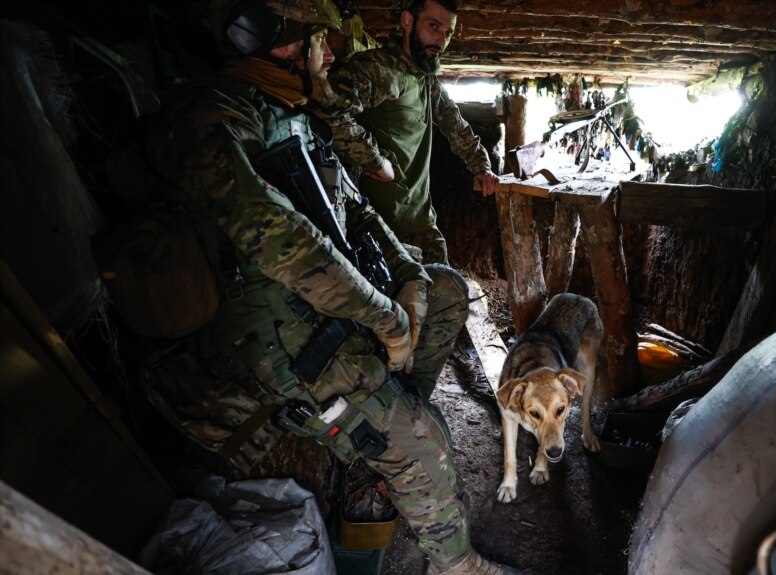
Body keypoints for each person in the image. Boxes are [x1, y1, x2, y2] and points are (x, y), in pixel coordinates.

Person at [143, 1, 515, 573]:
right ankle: (456, 563)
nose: (320, 54)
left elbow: (361, 211)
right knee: (425, 440)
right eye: (306, 39)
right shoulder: (213, 114)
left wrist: (412, 278)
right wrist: (386, 317)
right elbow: (278, 239)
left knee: (445, 290)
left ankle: (388, 415)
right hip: (268, 333)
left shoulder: (288, 109)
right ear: (259, 39)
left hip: (315, 305)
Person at [318, 0, 500, 265]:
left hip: (420, 218)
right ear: (407, 21)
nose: (440, 39)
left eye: (447, 33)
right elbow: (328, 111)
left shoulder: (424, 78)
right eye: (433, 26)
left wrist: (480, 166)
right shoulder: (378, 70)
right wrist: (375, 160)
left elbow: (453, 123)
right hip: (379, 224)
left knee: (445, 294)